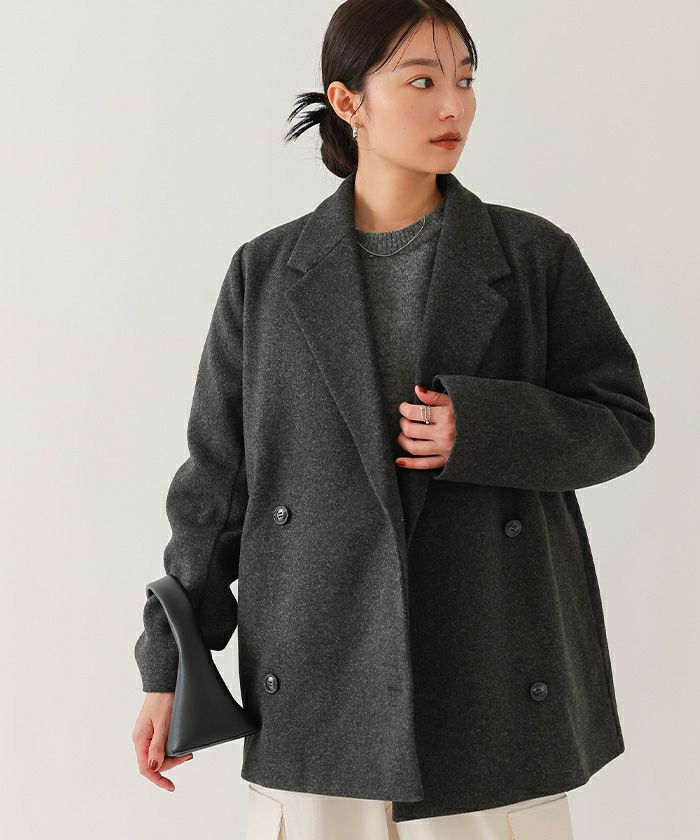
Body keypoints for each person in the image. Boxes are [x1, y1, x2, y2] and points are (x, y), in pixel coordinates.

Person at [132, 2, 655, 838]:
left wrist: (479, 428)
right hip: (316, 678)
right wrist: (167, 665)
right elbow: (214, 488)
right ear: (349, 102)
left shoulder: (532, 255)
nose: (454, 106)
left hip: (488, 677)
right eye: (421, 81)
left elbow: (622, 422)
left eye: (466, 80)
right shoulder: (266, 273)